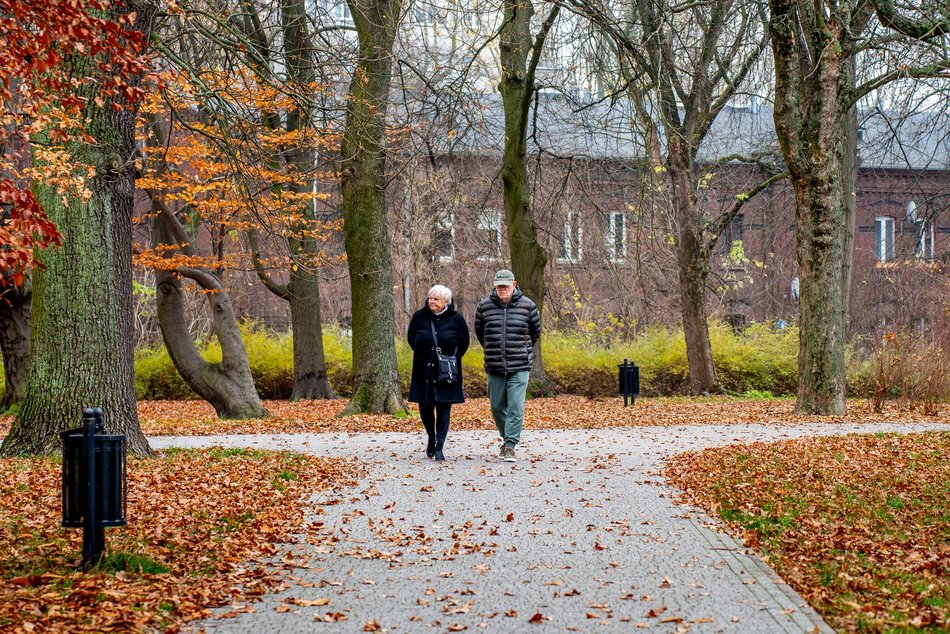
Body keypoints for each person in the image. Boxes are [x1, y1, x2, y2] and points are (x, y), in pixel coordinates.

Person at [474, 269, 540, 463]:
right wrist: (494, 351)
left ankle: (510, 445)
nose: (502, 289)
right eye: (499, 286)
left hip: (519, 364)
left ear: (514, 284)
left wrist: (521, 350)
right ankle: (507, 436)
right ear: (495, 286)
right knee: (496, 406)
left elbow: (534, 333)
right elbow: (480, 333)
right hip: (494, 365)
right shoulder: (484, 306)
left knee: (516, 406)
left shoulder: (528, 305)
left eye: (505, 286)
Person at [407, 284, 470, 461]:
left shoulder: (456, 318)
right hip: (423, 369)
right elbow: (412, 339)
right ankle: (431, 438)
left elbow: (464, 342)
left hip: (447, 370)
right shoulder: (419, 317)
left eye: (436, 299)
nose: (431, 301)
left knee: (444, 408)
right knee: (425, 407)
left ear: (446, 302)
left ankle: (440, 447)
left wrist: (451, 358)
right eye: (430, 298)